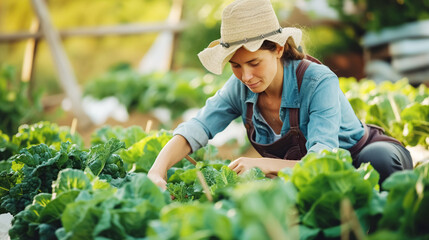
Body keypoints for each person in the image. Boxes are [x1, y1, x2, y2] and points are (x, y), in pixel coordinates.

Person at [148, 0, 413, 189]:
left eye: (254, 63)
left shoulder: (318, 82)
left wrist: (261, 164)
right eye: (236, 66)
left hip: (364, 158)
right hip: (314, 178)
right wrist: (157, 171)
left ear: (277, 48)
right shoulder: (239, 87)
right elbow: (198, 127)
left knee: (377, 160)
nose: (246, 76)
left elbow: (323, 160)